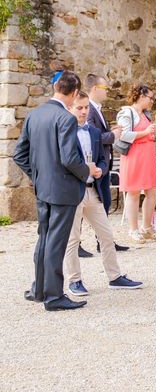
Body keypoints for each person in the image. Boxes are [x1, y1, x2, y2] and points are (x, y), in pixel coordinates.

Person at [14, 71, 93, 311]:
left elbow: (19, 154)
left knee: (45, 239)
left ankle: (39, 289)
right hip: (63, 190)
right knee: (56, 242)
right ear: (74, 93)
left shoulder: (34, 114)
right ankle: (53, 296)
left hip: (43, 188)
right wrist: (86, 172)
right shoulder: (65, 118)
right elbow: (69, 158)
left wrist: (38, 176)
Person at [64, 92, 143, 296]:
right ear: (70, 108)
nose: (83, 111)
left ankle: (115, 277)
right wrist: (85, 170)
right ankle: (75, 280)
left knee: (106, 235)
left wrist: (101, 169)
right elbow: (65, 162)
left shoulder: (92, 131)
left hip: (93, 190)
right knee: (73, 239)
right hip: (73, 192)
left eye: (86, 108)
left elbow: (101, 158)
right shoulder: (64, 131)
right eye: (79, 108)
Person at [85, 73, 129, 254]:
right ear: (94, 89)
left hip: (103, 164)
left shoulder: (97, 108)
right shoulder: (88, 109)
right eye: (105, 88)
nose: (107, 92)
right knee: (90, 205)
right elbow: (91, 136)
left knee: (105, 202)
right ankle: (83, 244)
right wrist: (113, 136)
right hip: (94, 165)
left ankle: (104, 241)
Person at [117, 84, 156, 243]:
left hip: (148, 155)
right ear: (141, 96)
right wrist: (145, 132)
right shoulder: (126, 112)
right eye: (150, 98)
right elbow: (124, 134)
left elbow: (153, 135)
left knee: (152, 191)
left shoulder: (146, 114)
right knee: (134, 192)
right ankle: (133, 229)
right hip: (134, 156)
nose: (151, 101)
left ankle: (147, 227)